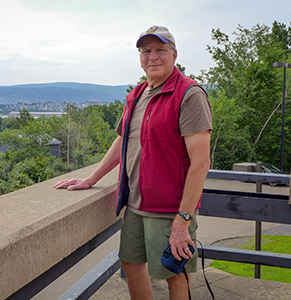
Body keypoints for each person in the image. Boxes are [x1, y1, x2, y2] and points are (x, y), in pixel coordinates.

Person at [54, 25, 212, 300]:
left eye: (160, 50)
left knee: (174, 273)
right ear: (140, 57)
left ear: (174, 55)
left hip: (170, 209)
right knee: (130, 264)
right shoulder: (136, 95)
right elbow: (122, 142)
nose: (153, 56)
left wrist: (183, 220)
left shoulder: (189, 94)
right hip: (136, 205)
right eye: (146, 51)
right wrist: (92, 179)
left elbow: (200, 163)